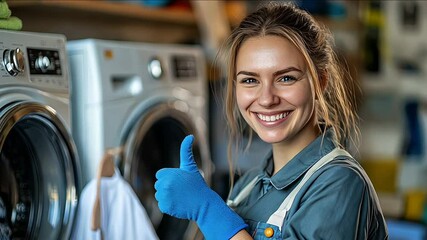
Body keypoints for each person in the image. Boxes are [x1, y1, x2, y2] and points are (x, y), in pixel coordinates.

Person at [155, 2, 389, 239]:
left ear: (320, 81)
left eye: (286, 78)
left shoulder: (340, 182)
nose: (266, 99)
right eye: (250, 80)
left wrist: (206, 210)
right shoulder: (248, 186)